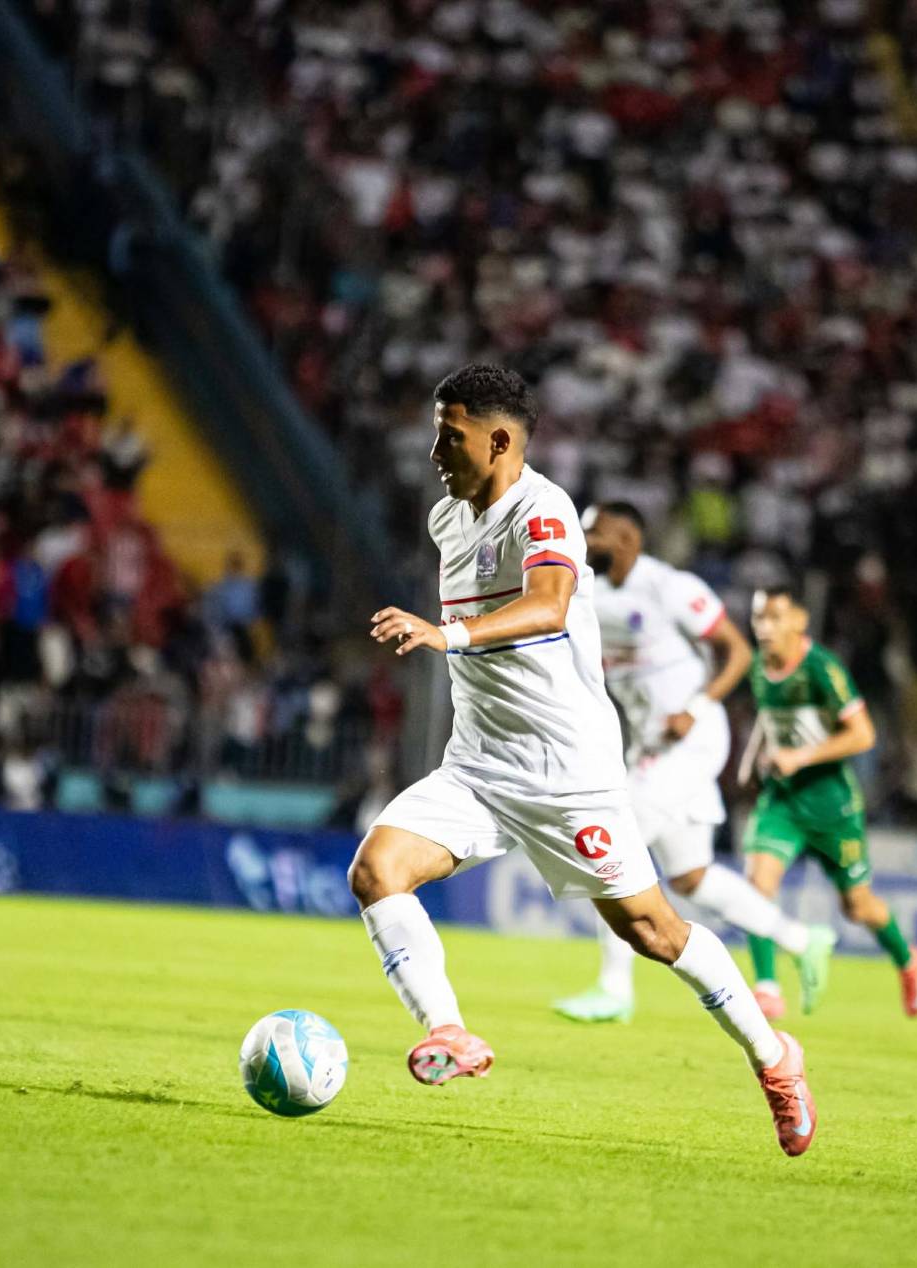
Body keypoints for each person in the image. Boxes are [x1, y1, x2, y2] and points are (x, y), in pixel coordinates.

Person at [350, 364, 818, 1156]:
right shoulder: (446, 520)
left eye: (450, 433)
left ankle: (776, 1062)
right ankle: (451, 1034)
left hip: (570, 774)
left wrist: (446, 633)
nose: (435, 449)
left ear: (498, 439)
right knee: (376, 870)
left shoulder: (546, 510)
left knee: (655, 931)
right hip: (478, 767)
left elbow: (550, 606)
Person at [552, 502, 836, 1024]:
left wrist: (696, 707)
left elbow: (738, 652)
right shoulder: (584, 593)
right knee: (692, 879)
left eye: (596, 533)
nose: (586, 541)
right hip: (649, 746)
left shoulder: (671, 587)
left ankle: (615, 988)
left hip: (693, 739)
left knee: (610, 841)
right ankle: (803, 939)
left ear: (628, 538)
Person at [742, 586, 917, 1019]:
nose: (764, 628)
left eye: (774, 618)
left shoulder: (822, 668)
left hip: (831, 806)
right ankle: (767, 987)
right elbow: (773, 725)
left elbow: (863, 734)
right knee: (757, 887)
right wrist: (758, 758)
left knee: (858, 907)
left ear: (800, 621)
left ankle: (906, 959)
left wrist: (799, 756)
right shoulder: (757, 668)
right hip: (783, 802)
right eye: (758, 619)